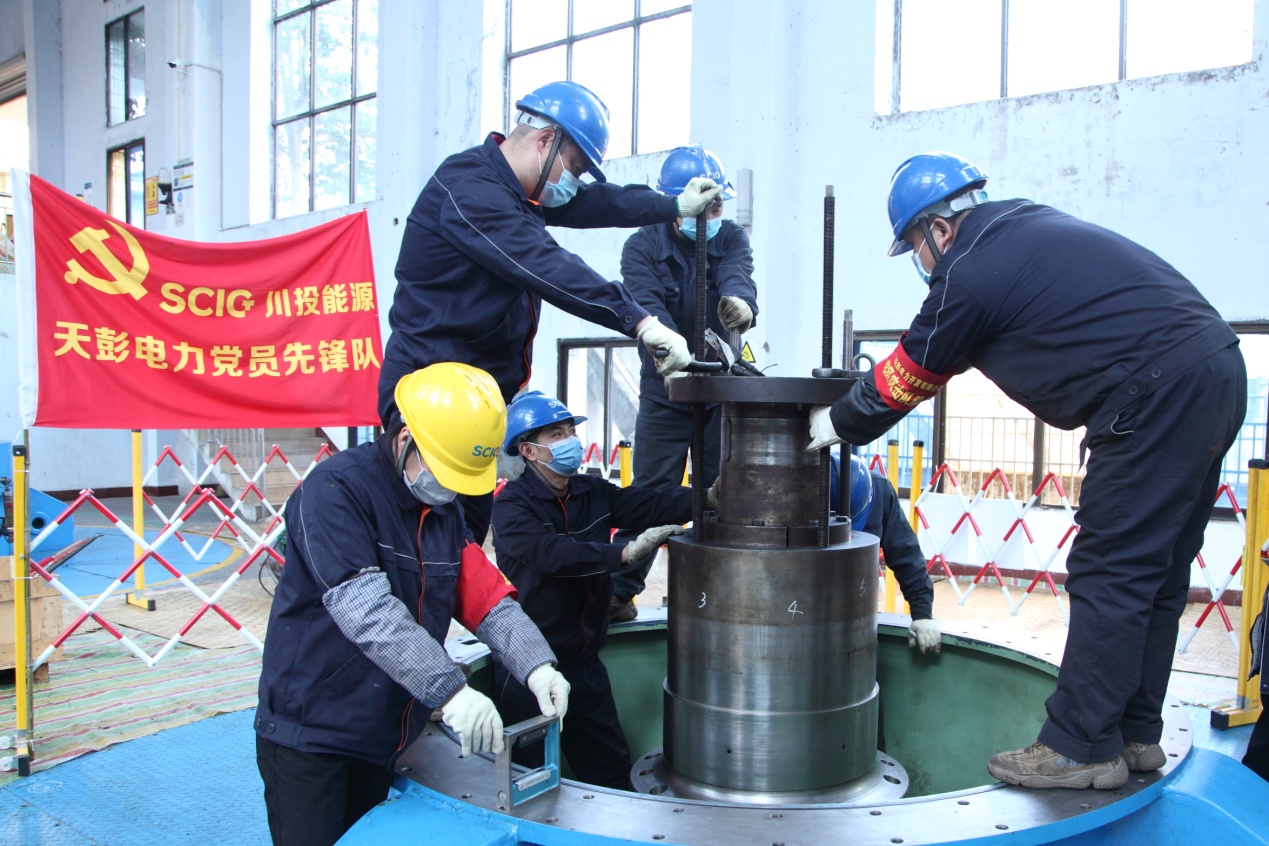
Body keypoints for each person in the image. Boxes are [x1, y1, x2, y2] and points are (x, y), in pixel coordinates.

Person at [808, 152, 1247, 791]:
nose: (921, 262)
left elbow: (912, 369)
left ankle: (1079, 747)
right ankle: (1133, 733)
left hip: (1154, 395)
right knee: (1154, 573)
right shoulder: (1023, 227)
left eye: (915, 247)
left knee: (1110, 570)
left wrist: (836, 422)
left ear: (938, 228)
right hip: (1215, 372)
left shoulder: (969, 270)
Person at [379, 81, 721, 545]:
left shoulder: (517, 192)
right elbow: (547, 265)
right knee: (419, 541)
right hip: (430, 399)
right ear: (545, 141)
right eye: (575, 168)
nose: (574, 182)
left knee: (463, 541)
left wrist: (672, 205)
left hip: (480, 402)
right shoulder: (470, 190)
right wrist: (639, 320)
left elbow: (597, 202)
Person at [255, 364, 571, 846]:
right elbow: (366, 609)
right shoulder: (335, 491)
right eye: (445, 472)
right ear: (405, 438)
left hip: (384, 729)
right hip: (312, 729)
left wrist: (536, 664)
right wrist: (451, 691)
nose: (450, 489)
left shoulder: (441, 508)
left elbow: (485, 598)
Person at [490, 391, 693, 788]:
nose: (570, 441)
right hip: (528, 669)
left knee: (610, 772)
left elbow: (647, 503)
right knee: (529, 779)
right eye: (556, 434)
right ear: (528, 450)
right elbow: (553, 556)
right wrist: (623, 554)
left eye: (570, 431)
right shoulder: (511, 506)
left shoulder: (590, 491)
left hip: (584, 663)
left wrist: (708, 498)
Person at [609, 145, 759, 621]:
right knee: (650, 495)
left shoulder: (730, 237)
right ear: (677, 203)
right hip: (665, 392)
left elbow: (737, 272)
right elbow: (645, 303)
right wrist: (668, 351)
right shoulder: (642, 246)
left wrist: (740, 301)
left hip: (719, 395)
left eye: (718, 206)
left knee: (722, 494)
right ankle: (618, 593)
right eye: (705, 207)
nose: (714, 216)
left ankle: (721, 597)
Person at [834, 452, 939, 654]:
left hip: (859, 613)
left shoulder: (879, 490)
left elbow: (905, 553)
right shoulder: (795, 500)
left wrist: (922, 614)